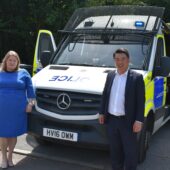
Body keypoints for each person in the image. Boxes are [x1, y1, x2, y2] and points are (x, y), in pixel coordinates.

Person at [99, 48, 145, 170]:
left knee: (130, 154)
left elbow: (141, 101)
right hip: (112, 121)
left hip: (128, 122)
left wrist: (139, 120)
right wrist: (101, 112)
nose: (120, 62)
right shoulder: (110, 75)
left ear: (128, 60)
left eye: (123, 59)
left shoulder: (136, 78)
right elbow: (105, 94)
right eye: (117, 59)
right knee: (115, 153)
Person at [0, 51, 35, 169]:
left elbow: (31, 90)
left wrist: (30, 104)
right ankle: (3, 157)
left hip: (18, 108)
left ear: (17, 62)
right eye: (10, 60)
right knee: (3, 133)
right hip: (2, 108)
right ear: (5, 61)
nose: (12, 62)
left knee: (13, 133)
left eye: (14, 61)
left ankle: (10, 156)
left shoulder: (23, 73)